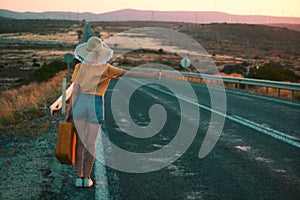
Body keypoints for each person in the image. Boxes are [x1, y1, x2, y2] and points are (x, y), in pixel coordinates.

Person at [65, 36, 161, 188]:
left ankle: (78, 177)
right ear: (100, 53)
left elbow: (75, 91)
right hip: (95, 104)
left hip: (80, 104)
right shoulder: (106, 68)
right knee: (91, 144)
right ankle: (87, 178)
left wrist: (69, 110)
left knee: (80, 144)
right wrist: (151, 76)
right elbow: (128, 73)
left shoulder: (79, 68)